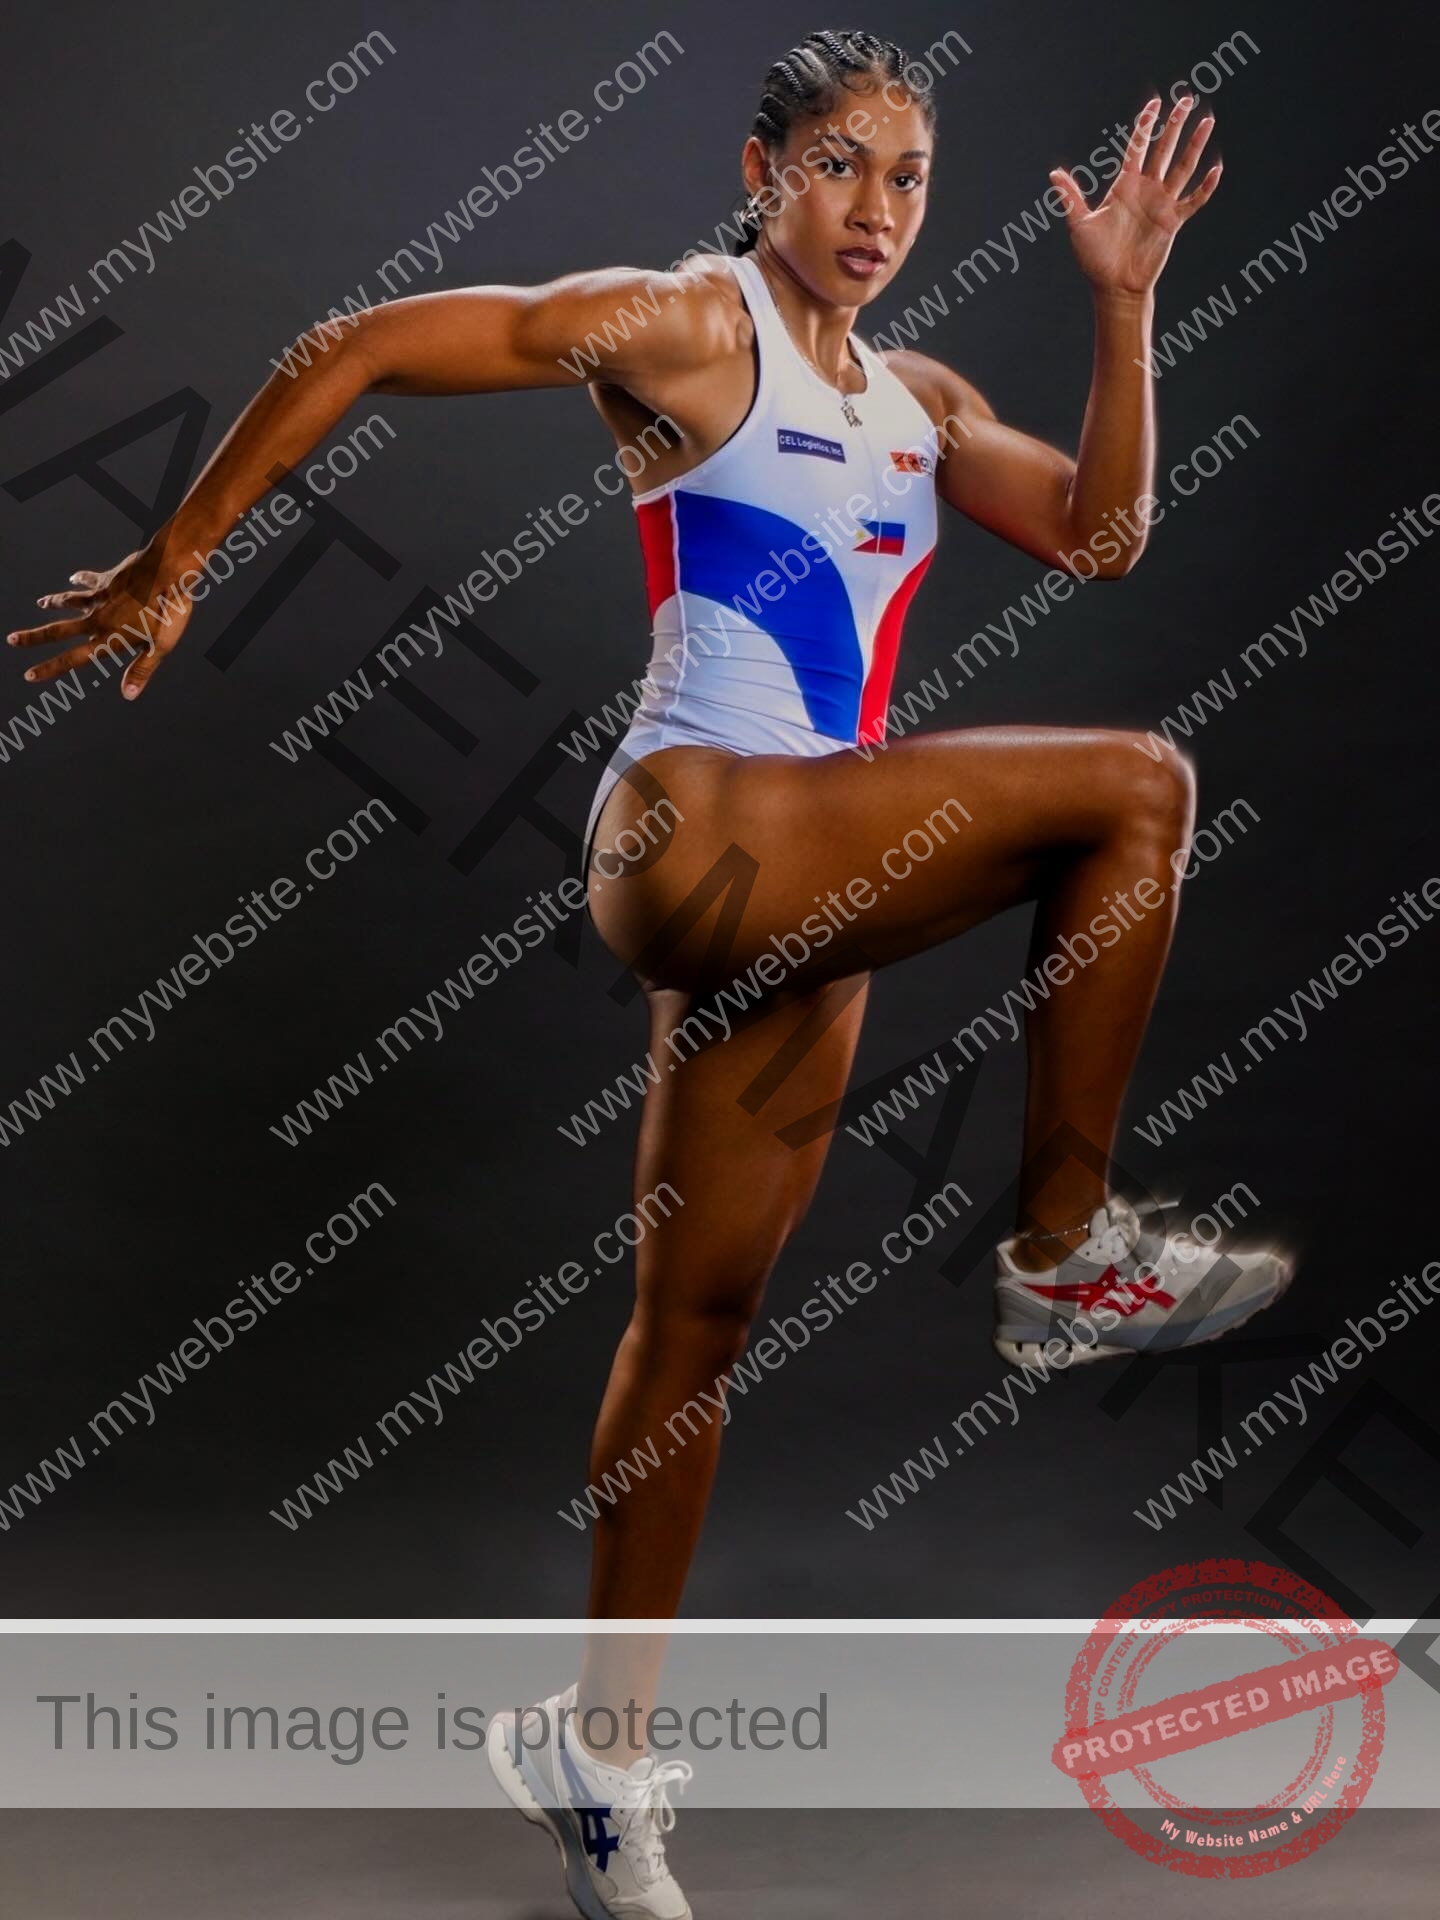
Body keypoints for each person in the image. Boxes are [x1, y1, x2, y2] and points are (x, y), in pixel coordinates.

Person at [9, 29, 1293, 1918]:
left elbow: (1103, 536)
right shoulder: (691, 325)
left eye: (912, 176)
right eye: (841, 165)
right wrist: (180, 557)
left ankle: (595, 1759)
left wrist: (1125, 304)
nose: (877, 209)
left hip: (815, 878)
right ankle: (1062, 1254)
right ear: (764, 166)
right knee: (1142, 787)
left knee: (690, 1341)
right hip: (694, 836)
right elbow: (358, 344)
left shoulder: (922, 397)